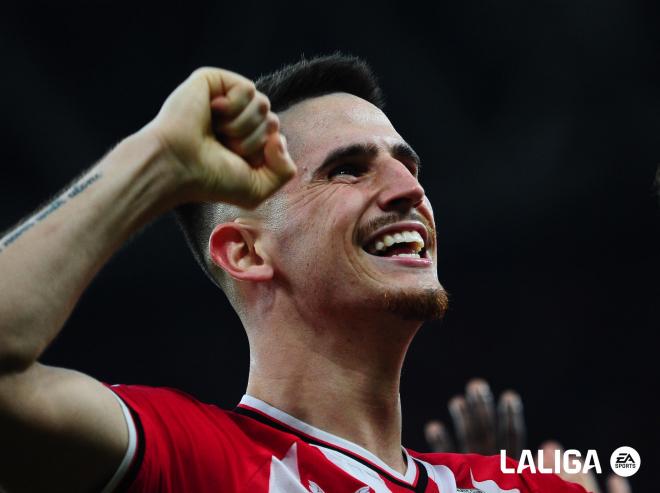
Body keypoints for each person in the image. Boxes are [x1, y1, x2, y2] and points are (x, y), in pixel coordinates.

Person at [0, 54, 599, 493]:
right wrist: (155, 161)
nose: (411, 190)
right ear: (247, 254)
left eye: (407, 164)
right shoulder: (196, 461)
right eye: (346, 170)